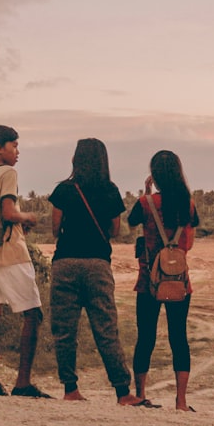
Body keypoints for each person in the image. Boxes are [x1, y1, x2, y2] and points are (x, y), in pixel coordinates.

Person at [48, 139, 145, 406]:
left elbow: (55, 229)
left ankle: (70, 389)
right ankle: (123, 392)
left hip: (65, 262)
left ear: (75, 159)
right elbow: (115, 230)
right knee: (106, 328)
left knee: (65, 330)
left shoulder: (63, 190)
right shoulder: (110, 190)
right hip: (98, 265)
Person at [0, 125, 51, 398]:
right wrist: (27, 217)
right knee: (33, 313)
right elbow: (8, 212)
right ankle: (22, 383)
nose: (18, 151)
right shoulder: (8, 172)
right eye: (14, 145)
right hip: (9, 253)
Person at [128, 150, 200, 412]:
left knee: (145, 336)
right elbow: (190, 240)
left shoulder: (146, 204)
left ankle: (141, 395)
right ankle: (181, 401)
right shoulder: (188, 204)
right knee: (179, 338)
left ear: (155, 175)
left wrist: (146, 193)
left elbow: (131, 222)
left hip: (149, 281)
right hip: (180, 281)